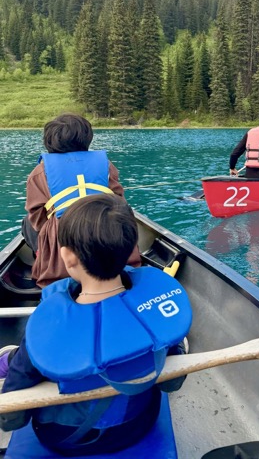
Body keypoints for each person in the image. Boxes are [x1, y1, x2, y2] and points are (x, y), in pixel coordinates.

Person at [0, 194, 191, 456]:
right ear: (131, 248)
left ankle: (9, 359)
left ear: (67, 257)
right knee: (168, 343)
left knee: (22, 361)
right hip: (137, 425)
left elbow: (14, 417)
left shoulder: (47, 326)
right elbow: (172, 383)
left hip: (63, 438)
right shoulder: (154, 316)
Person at [22, 113, 140, 287]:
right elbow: (119, 203)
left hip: (63, 253)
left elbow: (37, 217)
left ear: (49, 141)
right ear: (87, 138)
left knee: (27, 223)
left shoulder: (39, 173)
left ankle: (44, 257)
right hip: (107, 233)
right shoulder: (107, 166)